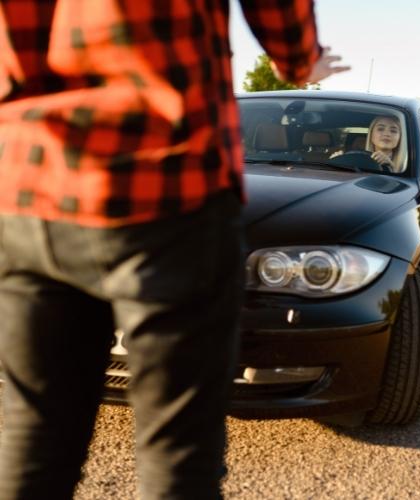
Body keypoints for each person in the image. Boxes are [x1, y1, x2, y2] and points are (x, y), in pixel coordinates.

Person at [0, 1, 348, 499]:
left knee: (36, 437)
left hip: (33, 181)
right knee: (177, 451)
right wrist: (298, 58)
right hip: (168, 180)